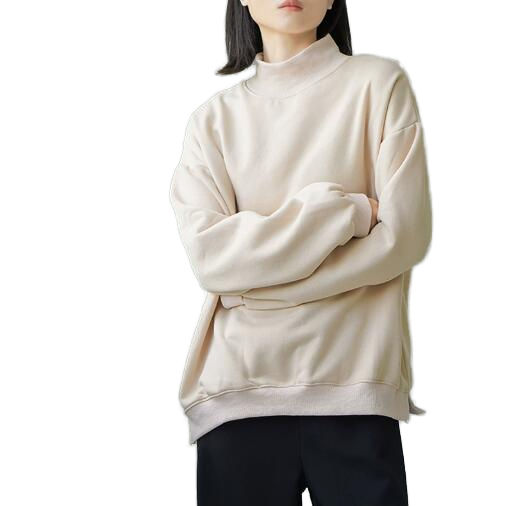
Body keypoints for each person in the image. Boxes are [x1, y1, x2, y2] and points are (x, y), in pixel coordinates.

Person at [169, 1, 432, 504]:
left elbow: (404, 238)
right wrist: (348, 211)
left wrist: (259, 292)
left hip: (356, 387)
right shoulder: (212, 122)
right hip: (237, 394)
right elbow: (211, 259)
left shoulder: (379, 86)